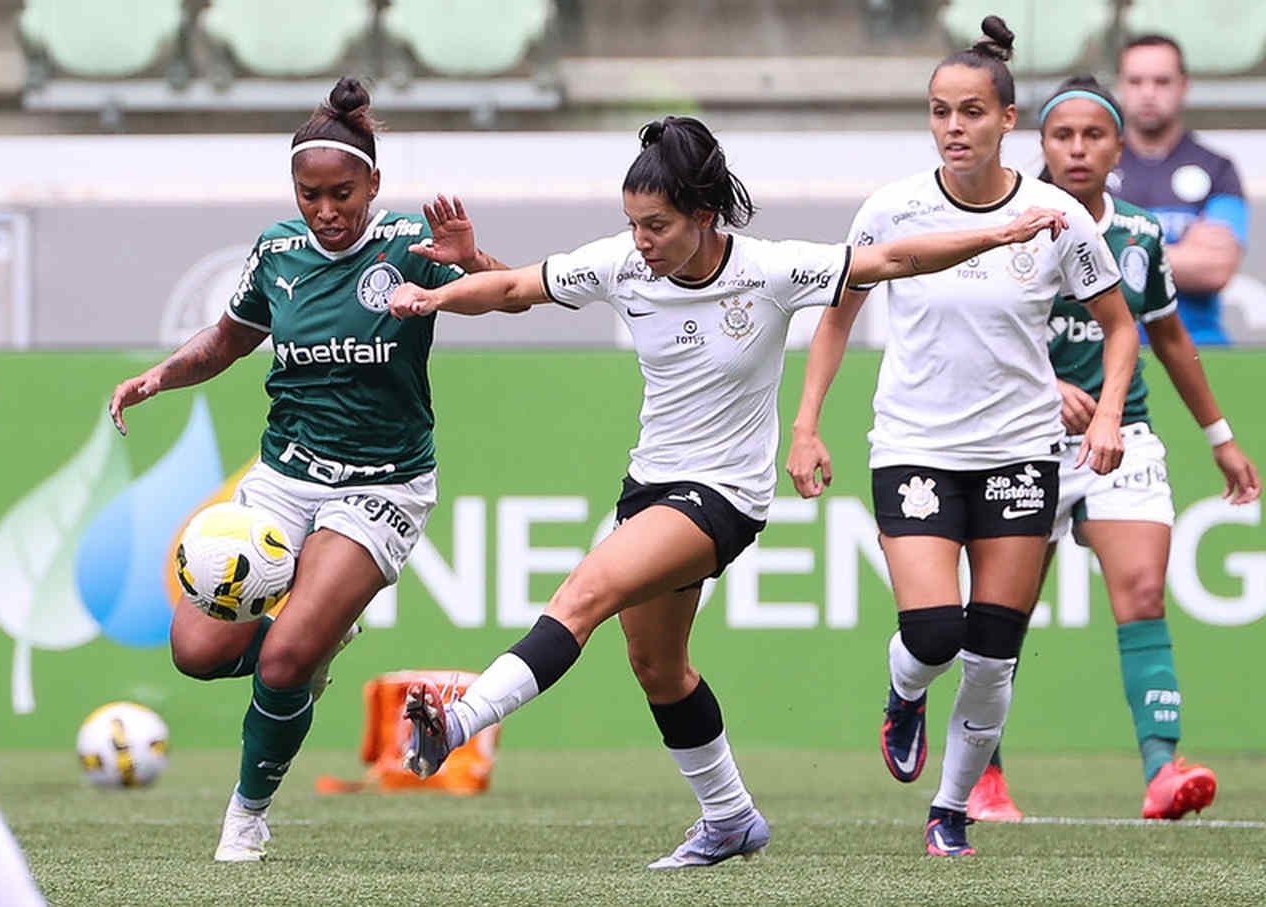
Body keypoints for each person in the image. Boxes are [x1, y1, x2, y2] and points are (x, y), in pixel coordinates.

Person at [388, 114, 1067, 868]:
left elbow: (897, 259)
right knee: (658, 668)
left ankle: (457, 721)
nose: (641, 240)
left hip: (723, 497)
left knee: (585, 591)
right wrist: (452, 283)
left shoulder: (771, 270)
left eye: (657, 224)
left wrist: (996, 236)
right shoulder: (623, 264)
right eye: (633, 224)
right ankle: (731, 817)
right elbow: (515, 288)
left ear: (703, 216)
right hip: (649, 485)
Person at [107, 77, 507, 862]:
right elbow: (228, 338)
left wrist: (472, 259)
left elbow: (512, 299)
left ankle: (246, 817)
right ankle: (319, 634)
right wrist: (159, 375)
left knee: (286, 657)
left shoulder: (408, 249)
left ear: (374, 185)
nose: (326, 209)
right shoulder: (278, 251)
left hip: (381, 482)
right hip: (284, 473)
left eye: (342, 192)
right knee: (194, 649)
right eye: (310, 193)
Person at [786, 16, 1140, 857]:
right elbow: (837, 315)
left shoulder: (1057, 215)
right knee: (937, 629)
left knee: (992, 652)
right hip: (914, 445)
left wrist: (1112, 412)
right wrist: (804, 424)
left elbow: (1119, 327)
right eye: (940, 111)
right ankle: (904, 692)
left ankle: (950, 810)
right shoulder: (891, 210)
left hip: (1021, 451)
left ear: (1007, 120)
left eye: (972, 112)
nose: (953, 127)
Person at [966, 77, 1262, 824]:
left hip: (1121, 434)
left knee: (1142, 594)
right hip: (1021, 438)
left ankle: (1163, 769)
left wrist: (1220, 438)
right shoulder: (1010, 228)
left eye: (1091, 136)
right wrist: (1041, 387)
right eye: (1061, 136)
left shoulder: (1139, 233)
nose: (1075, 149)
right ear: (1040, 144)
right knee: (1004, 613)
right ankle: (983, 775)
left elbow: (1167, 335)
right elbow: (974, 336)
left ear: (1117, 148)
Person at [1114, 34, 1248, 345]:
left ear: (1183, 85)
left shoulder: (1218, 169)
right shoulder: (1089, 168)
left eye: (1161, 81)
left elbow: (1215, 270)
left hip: (1200, 347)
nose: (1148, 93)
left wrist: (1114, 251)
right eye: (1136, 81)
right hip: (1111, 352)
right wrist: (1183, 250)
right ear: (1121, 85)